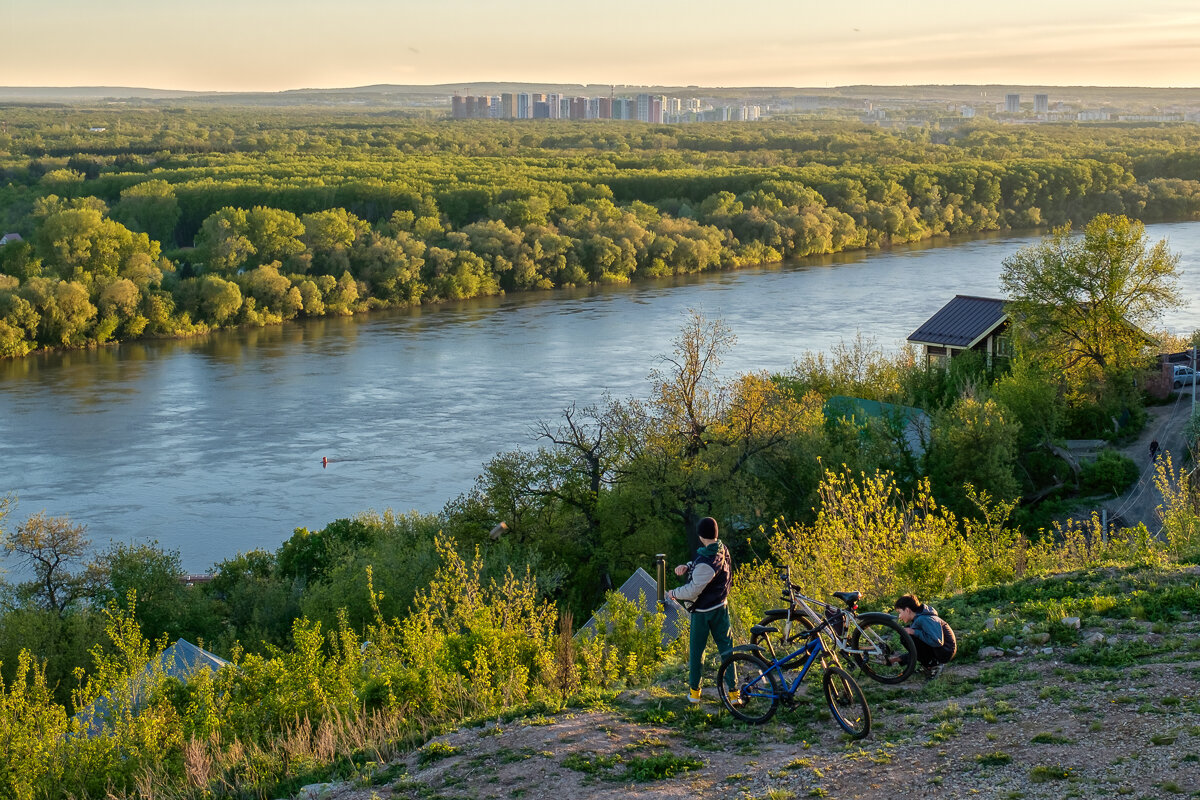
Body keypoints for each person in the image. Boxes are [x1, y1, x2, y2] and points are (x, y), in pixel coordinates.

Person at [667, 517, 738, 705]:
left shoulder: (706, 561)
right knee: (727, 650)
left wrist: (673, 593)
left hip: (702, 612)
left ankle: (695, 693)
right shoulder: (721, 549)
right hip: (721, 606)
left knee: (697, 652)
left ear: (700, 536)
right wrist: (688, 566)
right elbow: (709, 569)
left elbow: (693, 590)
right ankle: (733, 693)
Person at [892, 594, 956, 678]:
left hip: (945, 652)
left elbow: (937, 642)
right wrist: (897, 659)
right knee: (908, 633)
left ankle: (933, 666)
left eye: (900, 612)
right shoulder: (919, 618)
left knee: (907, 636)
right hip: (942, 650)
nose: (899, 617)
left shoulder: (925, 619)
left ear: (907, 610)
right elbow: (917, 650)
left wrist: (914, 632)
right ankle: (929, 665)